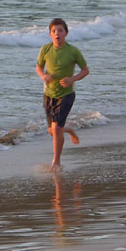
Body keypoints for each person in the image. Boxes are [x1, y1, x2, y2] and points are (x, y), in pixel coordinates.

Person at [35, 18, 89, 169]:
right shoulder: (45, 49)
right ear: (50, 34)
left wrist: (73, 79)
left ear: (66, 33)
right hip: (49, 94)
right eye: (54, 31)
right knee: (52, 131)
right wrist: (43, 76)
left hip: (66, 94)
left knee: (57, 129)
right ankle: (69, 130)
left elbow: (85, 70)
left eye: (60, 30)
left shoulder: (72, 51)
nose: (57, 33)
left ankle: (56, 162)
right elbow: (38, 67)